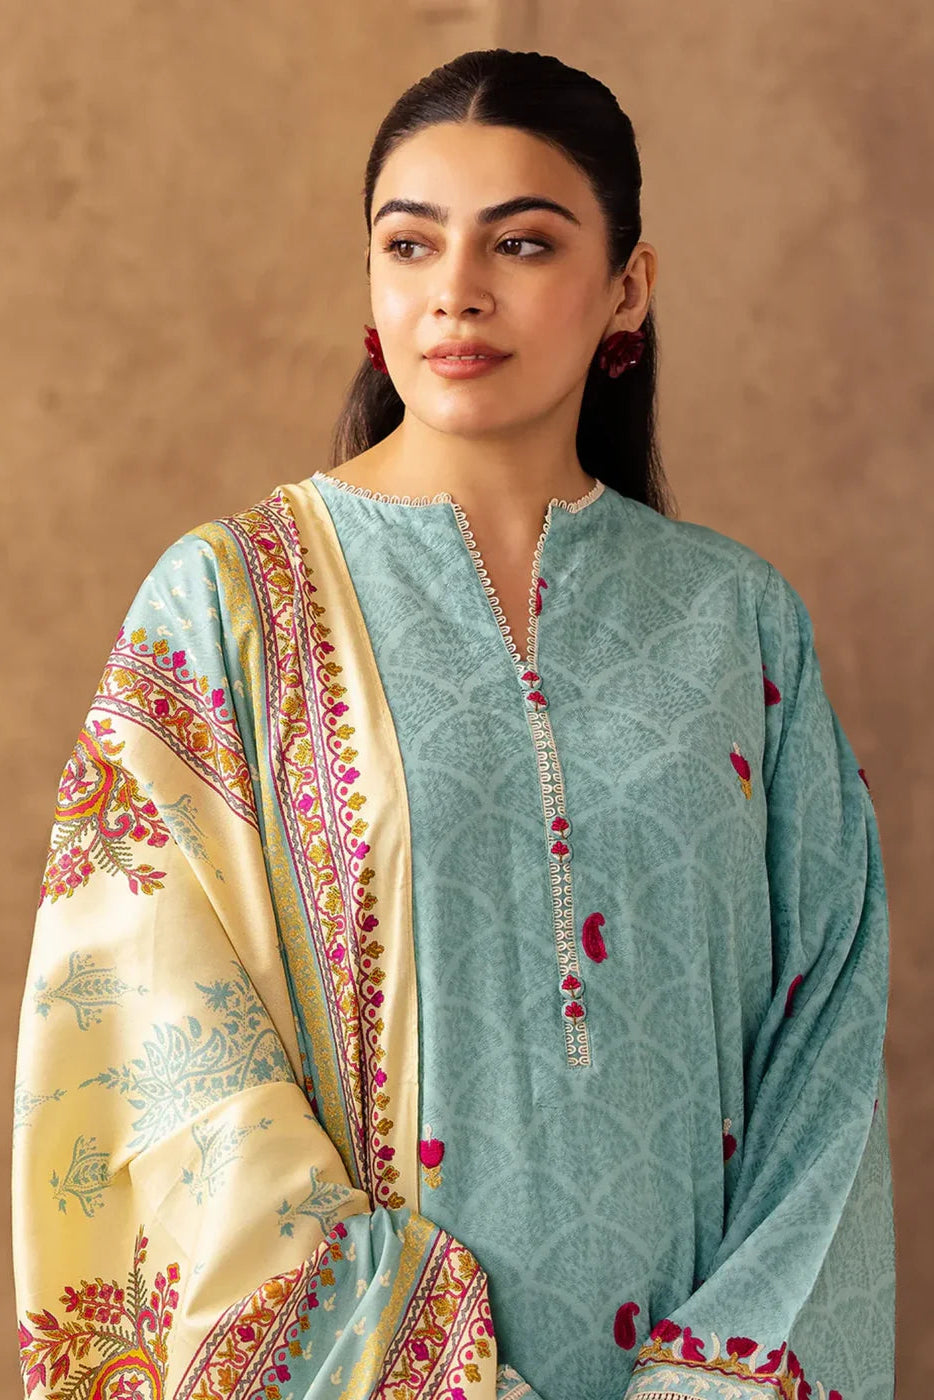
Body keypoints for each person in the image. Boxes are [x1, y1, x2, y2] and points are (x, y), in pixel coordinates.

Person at [12, 47, 895, 1400]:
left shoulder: (739, 624)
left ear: (626, 288)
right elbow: (155, 1048)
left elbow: (823, 1047)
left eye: (522, 243)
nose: (456, 292)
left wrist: (714, 1376)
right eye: (409, 244)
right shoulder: (229, 605)